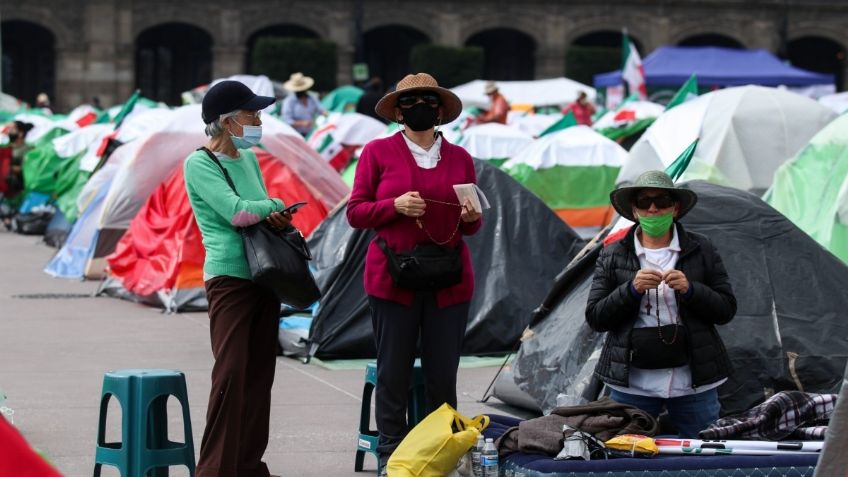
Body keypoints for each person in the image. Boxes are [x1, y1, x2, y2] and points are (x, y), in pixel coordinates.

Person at [347, 72, 483, 476]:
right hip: (393, 277)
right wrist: (393, 205)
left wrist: (472, 217)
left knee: (444, 373)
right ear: (398, 112)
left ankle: (442, 447)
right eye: (408, 102)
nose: (417, 108)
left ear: (440, 110)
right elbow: (356, 212)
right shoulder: (376, 152)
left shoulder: (460, 157)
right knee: (394, 370)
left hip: (449, 279)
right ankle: (392, 452)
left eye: (426, 100)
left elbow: (470, 226)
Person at [184, 80, 296, 477]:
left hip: (263, 274)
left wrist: (272, 212)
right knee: (230, 373)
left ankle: (248, 465)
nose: (259, 120)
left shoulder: (249, 159)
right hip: (230, 278)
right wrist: (276, 205)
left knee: (258, 375)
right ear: (228, 122)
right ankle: (214, 469)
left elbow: (257, 209)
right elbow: (237, 213)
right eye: (252, 115)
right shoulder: (199, 163)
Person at [585, 170, 737, 438]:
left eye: (662, 201)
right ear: (634, 210)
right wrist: (631, 290)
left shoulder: (702, 248)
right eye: (644, 202)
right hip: (633, 385)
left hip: (694, 383)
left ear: (675, 208)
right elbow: (596, 317)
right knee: (626, 458)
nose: (653, 208)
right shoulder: (612, 254)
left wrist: (692, 290)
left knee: (702, 458)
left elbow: (726, 309)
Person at [281, 72, 326, 136]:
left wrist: (325, 113)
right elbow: (287, 120)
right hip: (295, 134)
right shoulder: (289, 102)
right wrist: (302, 123)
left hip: (310, 133)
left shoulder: (312, 98)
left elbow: (321, 109)